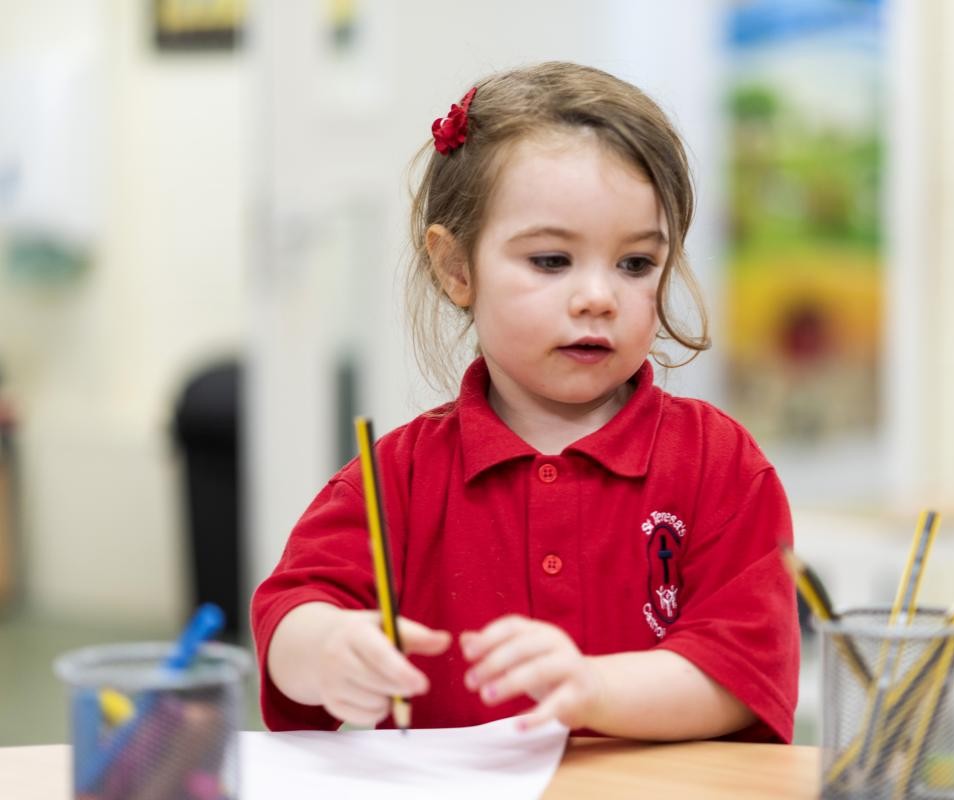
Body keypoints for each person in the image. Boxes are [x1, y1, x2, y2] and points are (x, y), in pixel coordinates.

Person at [251, 61, 799, 743]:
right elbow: (289, 613)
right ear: (456, 268)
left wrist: (596, 689)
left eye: (635, 264)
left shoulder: (720, 464)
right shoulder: (399, 474)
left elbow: (740, 672)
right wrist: (324, 649)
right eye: (550, 261)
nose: (598, 296)